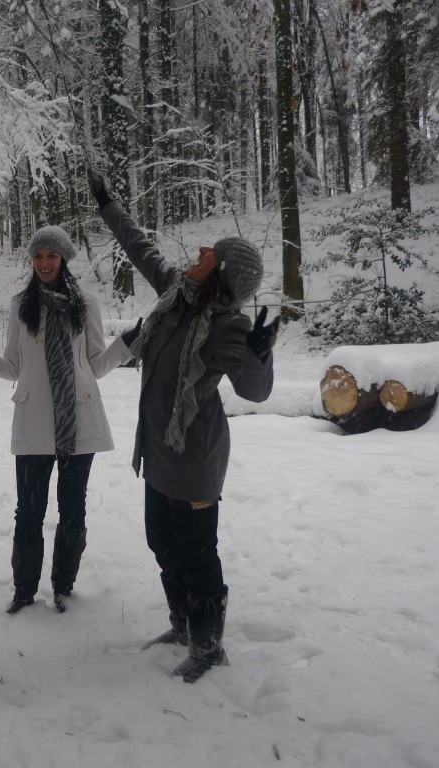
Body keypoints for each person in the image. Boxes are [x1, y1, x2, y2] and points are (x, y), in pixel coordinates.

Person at [87, 169, 279, 683]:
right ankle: (182, 624)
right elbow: (140, 248)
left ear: (222, 275)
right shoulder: (176, 294)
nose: (198, 251)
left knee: (197, 556)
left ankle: (209, 646)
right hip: (158, 447)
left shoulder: (228, 326)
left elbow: (256, 392)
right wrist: (108, 203)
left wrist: (261, 356)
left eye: (209, 253)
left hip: (195, 457)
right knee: (161, 543)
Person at [0, 225, 140, 614]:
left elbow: (97, 365)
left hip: (78, 420)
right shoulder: (21, 304)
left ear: (63, 259)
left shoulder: (87, 304)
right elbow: (14, 365)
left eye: (51, 256)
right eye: (37, 256)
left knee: (73, 506)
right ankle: (23, 590)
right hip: (34, 420)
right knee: (29, 509)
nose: (44, 263)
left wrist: (127, 344)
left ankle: (64, 586)